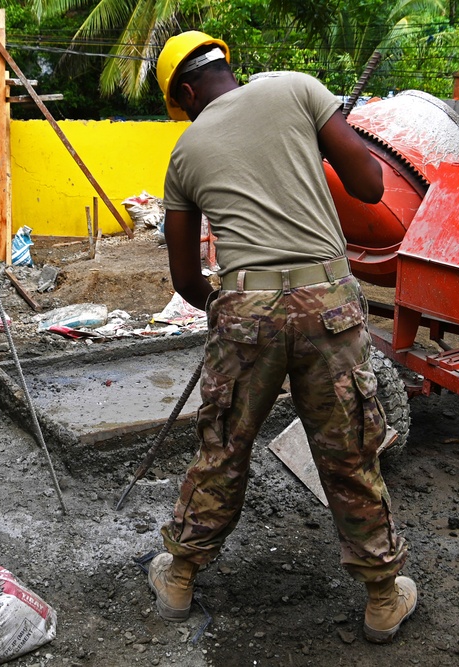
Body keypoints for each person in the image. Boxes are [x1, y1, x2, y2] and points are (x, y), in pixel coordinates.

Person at [146, 31, 415, 645]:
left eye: (180, 106)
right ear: (224, 67)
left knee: (223, 446)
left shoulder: (185, 154)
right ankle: (381, 597)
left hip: (246, 311)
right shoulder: (298, 89)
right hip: (330, 307)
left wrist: (230, 307)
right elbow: (371, 186)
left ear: (186, 92)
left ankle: (181, 576)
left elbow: (186, 278)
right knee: (350, 452)